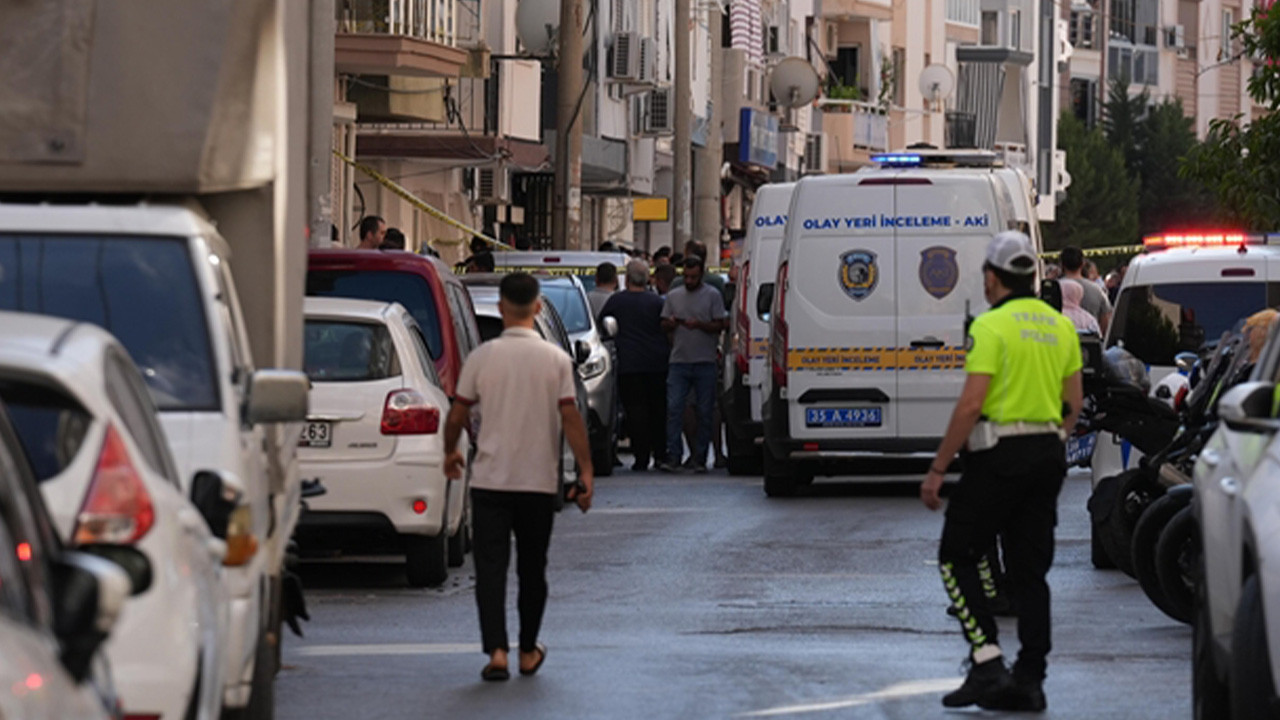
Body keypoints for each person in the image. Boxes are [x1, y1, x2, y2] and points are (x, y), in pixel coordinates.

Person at [920, 231, 1082, 712]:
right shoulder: (1059, 326)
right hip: (1047, 455)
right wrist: (1054, 440)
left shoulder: (990, 327)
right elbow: (1072, 403)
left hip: (998, 457)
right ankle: (1030, 679)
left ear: (992, 277)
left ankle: (987, 660)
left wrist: (937, 469)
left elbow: (972, 405)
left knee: (955, 554)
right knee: (1031, 572)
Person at [443, 273, 595, 682]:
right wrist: (585, 470)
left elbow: (457, 414)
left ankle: (496, 652)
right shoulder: (556, 361)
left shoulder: (481, 358)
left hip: (490, 482)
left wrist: (450, 454)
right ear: (539, 307)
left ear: (500, 307)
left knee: (490, 570)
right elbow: (571, 417)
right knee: (533, 569)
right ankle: (528, 650)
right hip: (537, 483)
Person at [659, 256, 728, 473]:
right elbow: (662, 324)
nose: (689, 281)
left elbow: (720, 324)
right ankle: (674, 455)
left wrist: (700, 325)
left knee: (705, 410)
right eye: (686, 277)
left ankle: (699, 457)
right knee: (674, 408)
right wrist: (669, 324)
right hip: (679, 360)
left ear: (702, 275)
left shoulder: (712, 295)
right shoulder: (674, 296)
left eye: (694, 277)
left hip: (704, 361)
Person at [600, 260, 669, 470]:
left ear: (627, 278)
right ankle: (660, 454)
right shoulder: (657, 302)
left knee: (635, 411)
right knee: (658, 409)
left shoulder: (616, 302)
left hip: (629, 364)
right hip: (657, 363)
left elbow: (603, 325)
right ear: (648, 278)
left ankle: (641, 457)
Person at [1059, 246, 1112, 334]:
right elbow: (1105, 322)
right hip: (1090, 344)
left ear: (1061, 264)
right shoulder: (1097, 290)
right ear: (1082, 263)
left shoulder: (1053, 289)